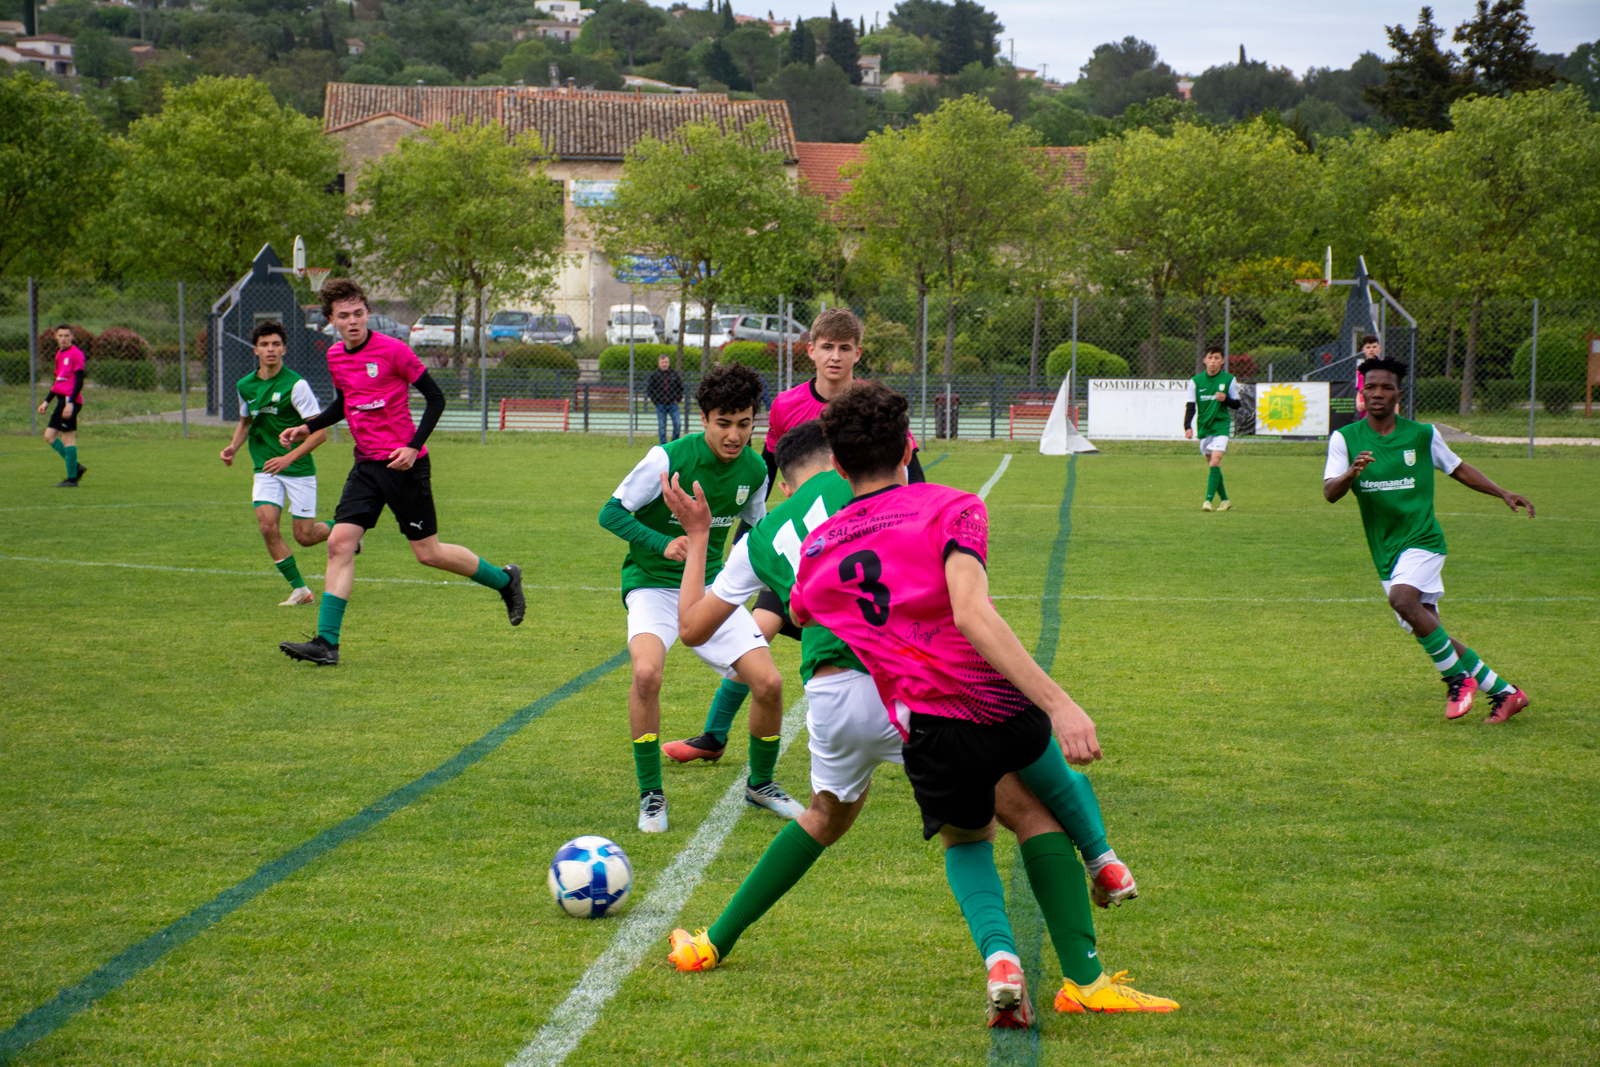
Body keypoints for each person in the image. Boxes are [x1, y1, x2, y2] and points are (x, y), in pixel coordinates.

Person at [660, 418, 1172, 1023]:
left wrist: (699, 536)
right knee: (1027, 813)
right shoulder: (873, 486)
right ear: (843, 462)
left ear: (786, 479)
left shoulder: (764, 534)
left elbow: (692, 626)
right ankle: (1082, 973)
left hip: (831, 696)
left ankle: (711, 943)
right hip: (913, 682)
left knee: (824, 816)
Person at [661, 307, 922, 765]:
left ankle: (906, 725)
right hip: (801, 548)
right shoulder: (787, 405)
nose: (835, 356)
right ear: (812, 351)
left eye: (844, 348)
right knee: (755, 634)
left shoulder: (872, 403)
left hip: (861, 546)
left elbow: (906, 470)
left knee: (877, 640)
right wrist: (749, 537)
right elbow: (765, 471)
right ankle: (715, 736)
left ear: (858, 354)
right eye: (827, 347)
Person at [277, 278, 524, 666]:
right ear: (331, 321)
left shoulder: (393, 350)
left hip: (404, 466)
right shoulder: (336, 356)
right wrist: (309, 426)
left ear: (367, 313)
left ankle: (505, 580)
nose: (353, 321)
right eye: (344, 315)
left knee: (429, 553)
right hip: (365, 466)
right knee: (339, 543)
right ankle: (327, 643)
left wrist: (412, 446)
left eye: (358, 313)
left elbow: (436, 398)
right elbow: (345, 403)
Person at [598, 363, 801, 833]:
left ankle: (761, 784)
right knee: (646, 674)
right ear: (704, 418)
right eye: (723, 423)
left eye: (744, 424)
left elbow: (756, 529)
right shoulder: (666, 458)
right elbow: (611, 512)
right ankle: (651, 794)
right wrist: (661, 542)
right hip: (652, 585)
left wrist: (758, 578)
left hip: (710, 590)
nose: (734, 435)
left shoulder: (755, 469)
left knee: (769, 683)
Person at [1323, 356, 1534, 723]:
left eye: (1386, 387)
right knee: (1428, 628)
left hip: (1423, 540)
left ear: (1398, 394)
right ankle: (1506, 693)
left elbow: (1458, 468)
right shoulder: (1345, 438)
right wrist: (1351, 474)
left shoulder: (1423, 435)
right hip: (1385, 550)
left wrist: (1501, 492)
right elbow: (1330, 492)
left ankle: (1458, 680)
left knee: (1402, 600)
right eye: (1370, 387)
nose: (1378, 393)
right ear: (1361, 394)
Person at [220, 321, 334, 606]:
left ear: (284, 349)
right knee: (267, 527)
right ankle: (300, 590)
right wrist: (233, 447)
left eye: (275, 344)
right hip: (266, 468)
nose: (270, 349)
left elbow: (320, 433)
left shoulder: (296, 385)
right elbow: (246, 421)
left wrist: (288, 458)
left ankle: (347, 530)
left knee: (305, 536)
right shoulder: (245, 385)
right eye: (264, 344)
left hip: (297, 469)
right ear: (255, 350)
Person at [1183, 344, 1241, 511]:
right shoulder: (1196, 381)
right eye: (1210, 358)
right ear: (1205, 360)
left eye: (1217, 358)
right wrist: (1187, 426)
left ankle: (1207, 501)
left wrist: (1226, 399)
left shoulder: (1229, 380)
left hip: (1221, 424)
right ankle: (1225, 500)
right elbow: (1191, 406)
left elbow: (1237, 404)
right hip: (1204, 426)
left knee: (1215, 460)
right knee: (1213, 465)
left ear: (1222, 361)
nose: (1213, 361)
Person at [37, 325, 88, 488]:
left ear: (72, 337)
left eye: (67, 335)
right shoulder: (59, 354)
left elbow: (79, 382)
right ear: (55, 337)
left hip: (69, 401)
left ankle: (72, 479)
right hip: (61, 400)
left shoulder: (76, 354)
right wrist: (47, 401)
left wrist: (71, 403)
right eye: (60, 335)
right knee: (49, 436)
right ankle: (76, 467)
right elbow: (58, 382)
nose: (63, 338)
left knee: (67, 439)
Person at [645, 353, 684, 444]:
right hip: (660, 405)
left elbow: (680, 387)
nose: (664, 364)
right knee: (662, 426)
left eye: (666, 362)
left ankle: (674, 443)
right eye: (662, 362)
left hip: (673, 404)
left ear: (669, 363)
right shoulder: (654, 375)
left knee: (677, 423)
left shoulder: (674, 374)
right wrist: (656, 401)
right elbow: (650, 389)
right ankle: (663, 445)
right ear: (659, 364)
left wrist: (678, 399)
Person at [1354, 333, 1381, 416]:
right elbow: (1359, 389)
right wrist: (1358, 403)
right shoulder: (1360, 369)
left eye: (1374, 347)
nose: (1371, 350)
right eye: (1368, 347)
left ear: (1379, 349)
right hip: (1363, 411)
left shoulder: (1384, 367)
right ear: (1363, 350)